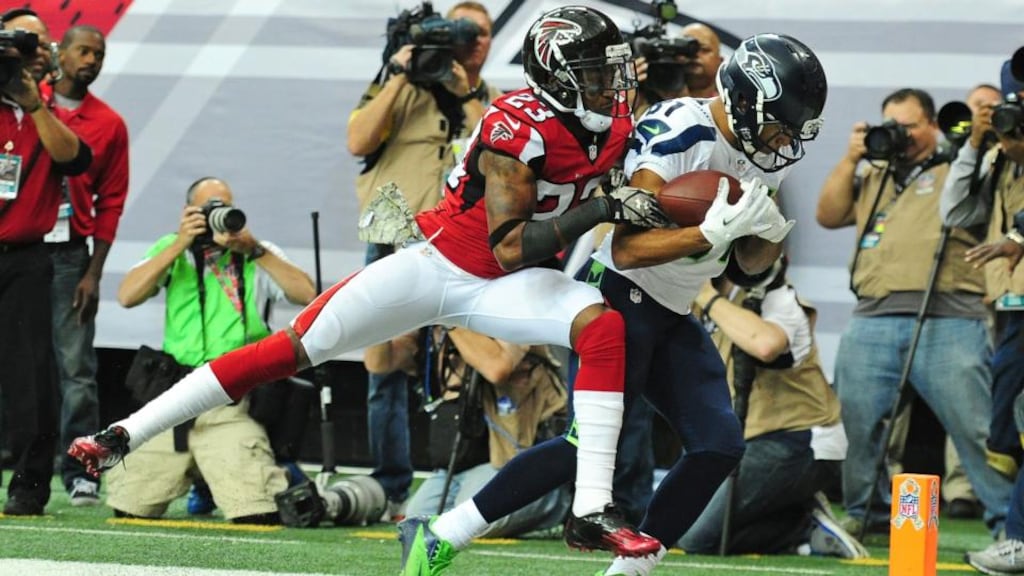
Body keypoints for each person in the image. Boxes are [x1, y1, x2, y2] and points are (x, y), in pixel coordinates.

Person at [72, 4, 668, 559]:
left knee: (600, 323)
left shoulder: (614, 120)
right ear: (557, 77)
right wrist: (605, 207)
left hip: (503, 287)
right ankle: (124, 433)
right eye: (595, 72)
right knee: (294, 348)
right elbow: (508, 245)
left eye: (612, 72)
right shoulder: (519, 124)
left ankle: (591, 508)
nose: (611, 86)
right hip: (439, 266)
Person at [397, 32, 827, 576]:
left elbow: (749, 265)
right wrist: (709, 233)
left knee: (718, 445)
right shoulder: (678, 131)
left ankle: (631, 572)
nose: (782, 140)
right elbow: (626, 245)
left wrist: (766, 231)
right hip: (616, 295)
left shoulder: (768, 151)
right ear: (742, 100)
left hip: (673, 306)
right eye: (777, 123)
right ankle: (439, 534)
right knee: (587, 447)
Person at [816, 87, 1012, 539]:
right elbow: (828, 214)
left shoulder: (959, 166)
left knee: (975, 428)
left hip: (949, 317)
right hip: (871, 315)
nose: (898, 135)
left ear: (932, 125)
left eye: (908, 126)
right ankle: (869, 512)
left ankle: (1008, 522)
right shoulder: (876, 172)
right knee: (859, 424)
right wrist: (851, 160)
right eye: (891, 125)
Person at [347, 1, 501, 518]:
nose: (470, 40)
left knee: (460, 360)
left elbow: (505, 156)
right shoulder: (402, 87)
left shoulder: (495, 100)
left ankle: (458, 466)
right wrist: (397, 73)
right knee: (384, 363)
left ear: (490, 41)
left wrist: (468, 94)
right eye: (460, 31)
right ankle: (392, 484)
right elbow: (357, 141)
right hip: (394, 233)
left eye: (479, 33)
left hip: (463, 244)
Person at [103, 177, 315, 523]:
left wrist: (254, 250)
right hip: (176, 399)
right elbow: (127, 296)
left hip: (232, 397)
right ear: (189, 212)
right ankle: (204, 476)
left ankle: (269, 473)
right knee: (130, 507)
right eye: (208, 208)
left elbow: (307, 294)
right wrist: (179, 243)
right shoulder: (172, 249)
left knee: (256, 512)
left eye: (225, 206)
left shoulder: (256, 252)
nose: (219, 214)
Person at [677, 260, 866, 559]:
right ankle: (793, 510)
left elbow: (766, 345)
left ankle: (802, 526)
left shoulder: (777, 295)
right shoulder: (706, 303)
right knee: (670, 523)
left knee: (698, 540)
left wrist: (704, 294)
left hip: (797, 440)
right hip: (737, 442)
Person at [0, 7, 92, 516]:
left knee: (33, 375)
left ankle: (30, 485)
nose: (26, 52)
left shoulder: (57, 109)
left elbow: (75, 160)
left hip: (28, 258)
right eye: (17, 43)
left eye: (35, 43)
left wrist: (32, 102)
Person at [369, 325, 570, 537]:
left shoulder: (505, 311)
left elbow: (497, 368)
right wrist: (383, 317)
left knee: (477, 522)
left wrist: (450, 317)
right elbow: (378, 364)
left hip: (509, 456)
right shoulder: (431, 329)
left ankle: (555, 504)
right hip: (455, 467)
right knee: (418, 521)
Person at [942, 59, 1024, 575]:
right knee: (1005, 429)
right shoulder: (997, 156)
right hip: (1011, 308)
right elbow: (955, 214)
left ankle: (1017, 537)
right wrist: (977, 144)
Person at [42, 24, 130, 507]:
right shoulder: (24, 102)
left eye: (99, 53)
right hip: (19, 246)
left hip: (71, 254)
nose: (92, 60)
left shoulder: (108, 123)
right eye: (83, 50)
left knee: (76, 367)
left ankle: (80, 469)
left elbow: (111, 201)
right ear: (62, 53)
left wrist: (94, 272)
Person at [679, 23, 722, 99]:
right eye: (686, 49)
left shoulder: (729, 108)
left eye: (704, 49)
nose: (694, 54)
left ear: (720, 61)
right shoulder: (656, 105)